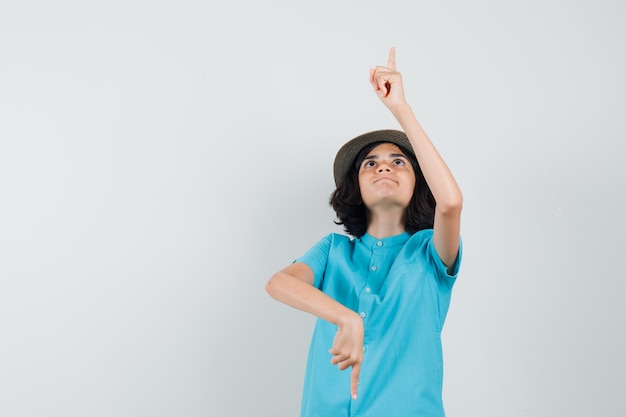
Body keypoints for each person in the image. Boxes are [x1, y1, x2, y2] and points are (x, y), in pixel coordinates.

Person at [265, 47, 463, 417]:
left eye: (398, 161)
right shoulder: (333, 251)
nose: (383, 168)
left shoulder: (431, 253)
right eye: (370, 163)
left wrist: (400, 109)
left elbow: (450, 203)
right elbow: (279, 283)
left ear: (418, 183)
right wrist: (346, 317)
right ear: (355, 187)